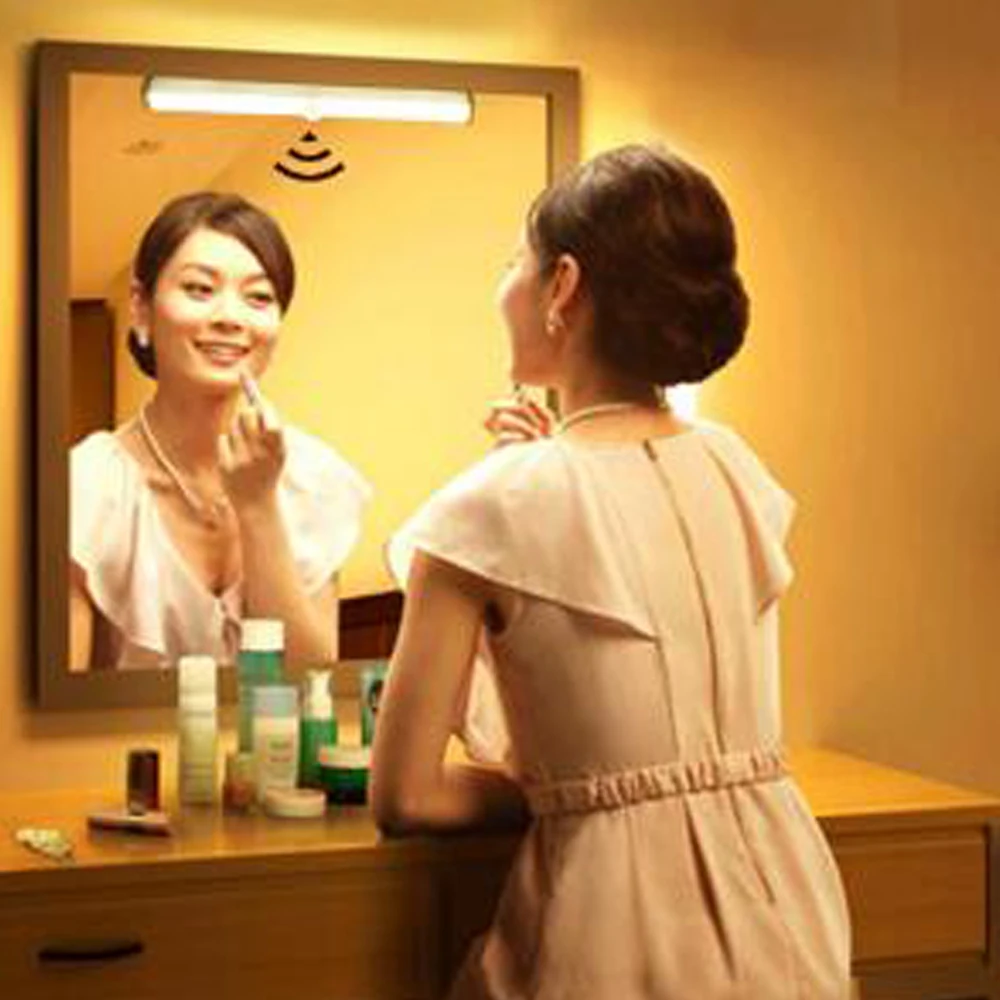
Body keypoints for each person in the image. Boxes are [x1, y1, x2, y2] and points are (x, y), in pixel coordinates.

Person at [371, 145, 852, 998]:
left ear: (562, 285)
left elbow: (405, 796)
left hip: (611, 924)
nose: (504, 285)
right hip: (788, 904)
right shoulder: (737, 469)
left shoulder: (485, 507)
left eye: (514, 262)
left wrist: (571, 790)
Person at [70, 192, 370, 672]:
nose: (231, 317)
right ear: (142, 309)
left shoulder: (315, 479)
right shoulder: (86, 485)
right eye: (199, 289)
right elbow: (50, 705)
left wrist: (258, 506)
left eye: (259, 297)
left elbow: (308, 683)